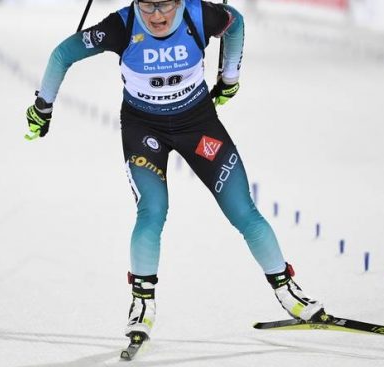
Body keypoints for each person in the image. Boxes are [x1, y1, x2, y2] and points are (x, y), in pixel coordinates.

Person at [24, 0, 327, 341]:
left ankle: (286, 290)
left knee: (244, 212)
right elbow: (63, 53)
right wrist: (42, 106)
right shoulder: (121, 25)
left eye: (165, 5)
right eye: (147, 5)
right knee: (152, 211)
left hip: (198, 126)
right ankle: (142, 304)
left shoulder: (201, 14)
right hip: (144, 131)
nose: (156, 15)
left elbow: (236, 23)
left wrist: (230, 78)